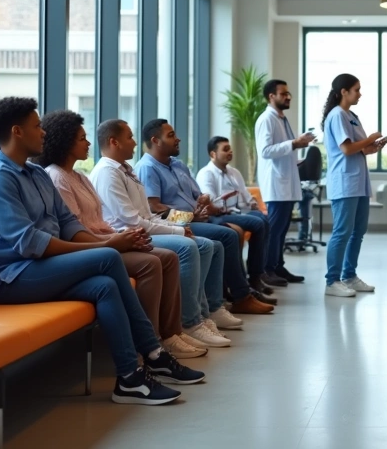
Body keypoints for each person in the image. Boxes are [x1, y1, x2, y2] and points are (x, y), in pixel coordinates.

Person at [0, 97, 203, 406]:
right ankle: (155, 353)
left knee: (103, 286)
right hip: (10, 278)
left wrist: (105, 243)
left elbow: (66, 224)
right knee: (107, 258)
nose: (44, 132)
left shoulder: (36, 174)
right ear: (17, 132)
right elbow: (29, 244)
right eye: (37, 126)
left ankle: (130, 378)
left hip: (41, 268)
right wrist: (107, 245)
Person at [36, 110, 206, 359]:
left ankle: (172, 333)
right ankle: (151, 343)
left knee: (168, 257)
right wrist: (116, 241)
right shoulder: (58, 177)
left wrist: (121, 239)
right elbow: (74, 230)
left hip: (107, 240)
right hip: (94, 246)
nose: (89, 143)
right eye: (82, 138)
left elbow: (105, 220)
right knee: (153, 262)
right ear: (65, 141)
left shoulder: (81, 176)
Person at [90, 119, 232, 349]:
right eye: (129, 137)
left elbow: (153, 212)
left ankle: (206, 313)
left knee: (210, 243)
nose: (135, 142)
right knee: (209, 240)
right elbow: (144, 215)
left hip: (169, 222)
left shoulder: (166, 166)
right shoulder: (128, 170)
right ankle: (191, 321)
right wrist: (181, 226)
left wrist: (197, 210)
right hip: (134, 233)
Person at [135, 119, 273, 315]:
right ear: (156, 141)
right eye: (171, 135)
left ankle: (227, 298)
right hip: (174, 225)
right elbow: (154, 207)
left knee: (236, 232)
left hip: (197, 218)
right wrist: (188, 217)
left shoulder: (177, 165)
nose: (178, 138)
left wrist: (204, 200)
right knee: (228, 235)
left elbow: (198, 195)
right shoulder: (147, 168)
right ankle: (241, 296)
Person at [321, 73, 386, 297]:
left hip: (358, 182)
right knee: (342, 232)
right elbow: (347, 149)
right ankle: (332, 281)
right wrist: (370, 138)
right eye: (356, 89)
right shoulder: (337, 115)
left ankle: (349, 275)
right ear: (344, 92)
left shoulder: (352, 115)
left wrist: (373, 146)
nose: (360, 93)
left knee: (358, 232)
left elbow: (359, 148)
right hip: (344, 182)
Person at [197, 135, 280, 305]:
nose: (230, 152)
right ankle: (251, 278)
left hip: (237, 212)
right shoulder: (206, 174)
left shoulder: (234, 172)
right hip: (218, 215)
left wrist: (253, 205)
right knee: (256, 223)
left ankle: (256, 275)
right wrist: (226, 207)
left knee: (263, 219)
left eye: (230, 149)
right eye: (225, 149)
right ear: (213, 154)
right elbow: (211, 204)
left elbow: (245, 197)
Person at [253, 78, 314, 283]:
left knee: (282, 229)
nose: (288, 97)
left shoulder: (282, 118)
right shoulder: (266, 119)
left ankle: (279, 267)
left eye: (289, 93)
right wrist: (294, 143)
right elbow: (265, 151)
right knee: (275, 230)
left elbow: (284, 148)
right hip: (276, 184)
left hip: (287, 181)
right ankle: (267, 270)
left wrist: (296, 155)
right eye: (283, 94)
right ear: (271, 96)